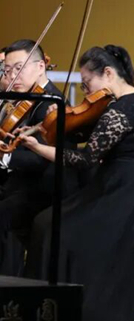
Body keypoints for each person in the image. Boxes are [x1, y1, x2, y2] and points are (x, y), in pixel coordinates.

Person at [20, 45, 134, 321]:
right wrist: (56, 127)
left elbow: (85, 159)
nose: (87, 91)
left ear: (109, 73)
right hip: (126, 189)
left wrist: (38, 147)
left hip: (127, 200)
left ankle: (57, 307)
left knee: (52, 227)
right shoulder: (132, 103)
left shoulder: (121, 111)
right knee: (47, 222)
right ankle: (51, 304)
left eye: (87, 82)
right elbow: (91, 138)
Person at [0, 40, 75, 276]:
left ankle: (9, 286)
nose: (13, 75)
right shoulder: (25, 100)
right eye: (8, 70)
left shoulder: (52, 104)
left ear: (41, 66)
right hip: (19, 183)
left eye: (19, 68)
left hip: (43, 188)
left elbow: (38, 161)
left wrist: (4, 159)